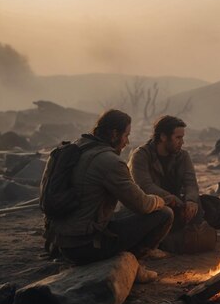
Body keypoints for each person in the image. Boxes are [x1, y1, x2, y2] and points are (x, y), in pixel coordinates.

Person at [45, 109, 173, 282]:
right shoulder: (109, 161)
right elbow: (142, 204)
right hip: (85, 246)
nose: (127, 142)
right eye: (126, 135)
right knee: (164, 214)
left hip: (60, 241)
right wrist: (160, 201)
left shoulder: (76, 147)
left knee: (126, 212)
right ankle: (133, 266)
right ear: (114, 134)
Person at [129, 115, 217, 254]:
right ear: (163, 137)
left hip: (176, 205)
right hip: (151, 206)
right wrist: (168, 197)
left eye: (182, 137)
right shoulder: (141, 155)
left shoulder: (182, 156)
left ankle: (179, 238)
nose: (182, 142)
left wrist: (191, 201)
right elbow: (145, 185)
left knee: (211, 208)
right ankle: (167, 242)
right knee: (160, 217)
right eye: (178, 138)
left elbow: (190, 183)